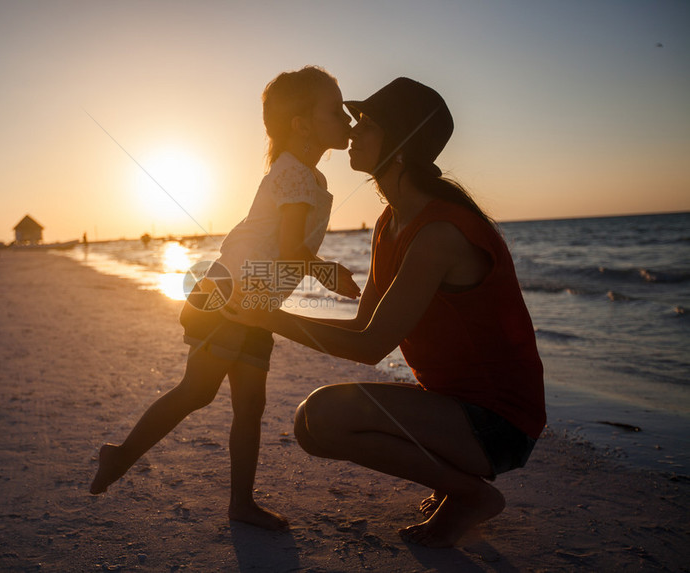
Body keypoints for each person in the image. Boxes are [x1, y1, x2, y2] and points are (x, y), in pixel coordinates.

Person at [224, 77, 545, 546]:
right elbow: (362, 324)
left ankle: (469, 494)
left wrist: (267, 317)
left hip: (497, 424)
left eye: (367, 123)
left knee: (325, 414)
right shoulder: (390, 223)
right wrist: (269, 301)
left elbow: (372, 346)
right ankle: (452, 481)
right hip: (452, 407)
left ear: (401, 144)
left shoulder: (439, 233)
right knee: (310, 427)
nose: (352, 131)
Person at [90, 66, 360, 531]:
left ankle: (241, 502)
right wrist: (329, 272)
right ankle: (122, 454)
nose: (348, 120)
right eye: (336, 111)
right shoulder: (295, 175)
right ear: (301, 124)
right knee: (198, 390)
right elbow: (294, 248)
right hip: (235, 296)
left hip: (254, 303)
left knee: (249, 405)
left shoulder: (303, 175)